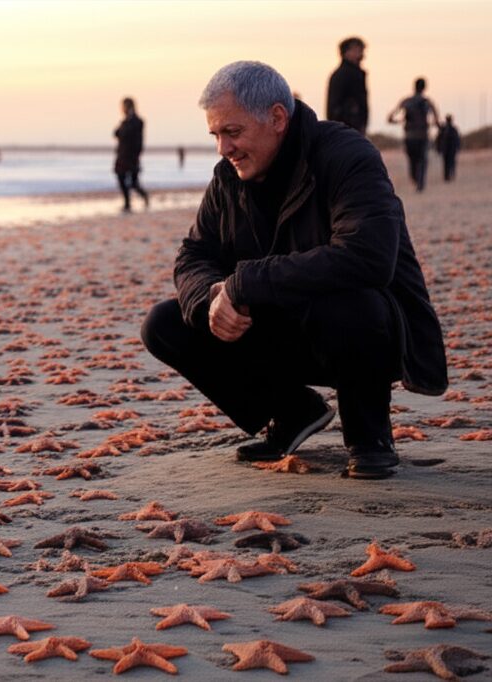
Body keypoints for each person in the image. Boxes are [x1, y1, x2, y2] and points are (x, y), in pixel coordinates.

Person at [140, 61, 447, 480]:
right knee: (164, 322)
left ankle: (368, 435)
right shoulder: (227, 178)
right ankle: (290, 411)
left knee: (348, 303)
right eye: (215, 135)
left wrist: (244, 282)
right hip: (280, 330)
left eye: (233, 132)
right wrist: (213, 296)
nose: (223, 148)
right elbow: (192, 254)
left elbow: (368, 257)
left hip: (365, 331)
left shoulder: (346, 156)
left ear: (277, 118)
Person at [387, 78, 440, 192]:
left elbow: (390, 118)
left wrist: (400, 121)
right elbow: (436, 120)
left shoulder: (406, 101)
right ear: (424, 87)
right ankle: (420, 183)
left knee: (412, 160)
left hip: (409, 136)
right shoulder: (427, 102)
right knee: (422, 159)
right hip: (422, 135)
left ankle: (415, 178)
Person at [326, 36, 368, 134]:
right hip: (346, 128)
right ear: (346, 53)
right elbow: (334, 105)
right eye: (357, 50)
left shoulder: (357, 74)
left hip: (354, 127)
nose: (361, 54)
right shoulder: (342, 74)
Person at [114, 97, 149, 212]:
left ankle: (143, 196)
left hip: (131, 156)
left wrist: (136, 155)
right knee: (121, 177)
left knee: (133, 182)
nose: (122, 109)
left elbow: (137, 140)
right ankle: (127, 203)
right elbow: (117, 133)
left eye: (123, 106)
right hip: (122, 155)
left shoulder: (136, 121)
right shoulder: (125, 121)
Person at [436, 114, 461, 181]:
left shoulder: (450, 129)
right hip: (448, 149)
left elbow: (457, 139)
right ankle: (447, 176)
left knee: (449, 162)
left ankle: (449, 175)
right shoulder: (446, 129)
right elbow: (439, 139)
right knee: (448, 162)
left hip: (450, 149)